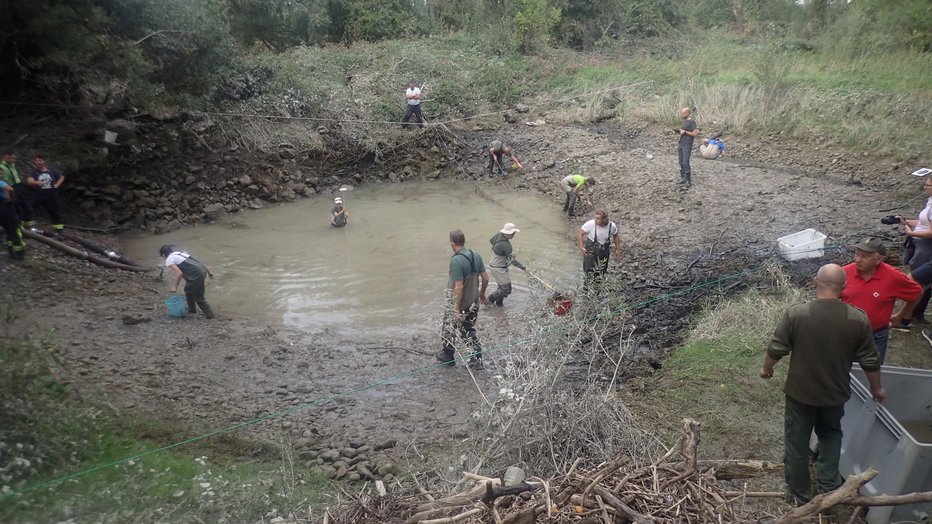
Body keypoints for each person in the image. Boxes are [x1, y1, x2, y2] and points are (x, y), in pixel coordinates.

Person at [761, 263, 885, 506]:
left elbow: (777, 347)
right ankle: (829, 486)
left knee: (797, 441)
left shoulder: (797, 313)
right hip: (834, 394)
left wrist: (767, 369)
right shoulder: (857, 318)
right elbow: (870, 360)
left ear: (814, 281)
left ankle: (799, 493)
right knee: (830, 435)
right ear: (844, 286)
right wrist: (876, 388)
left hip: (801, 394)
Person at [840, 237, 922, 365]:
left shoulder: (893, 277)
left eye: (864, 256)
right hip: (845, 335)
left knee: (872, 371)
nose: (858, 260)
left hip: (876, 336)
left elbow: (917, 292)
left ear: (879, 259)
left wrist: (901, 315)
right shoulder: (844, 273)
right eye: (857, 254)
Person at [436, 229, 489, 369]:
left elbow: (458, 286)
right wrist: (482, 293)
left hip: (461, 303)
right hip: (474, 301)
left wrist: (456, 308)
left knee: (448, 328)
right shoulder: (475, 255)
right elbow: (485, 277)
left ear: (452, 243)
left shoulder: (456, 260)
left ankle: (448, 356)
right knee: (468, 329)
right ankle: (477, 359)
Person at [893, 176, 932, 332]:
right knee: (921, 281)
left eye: (928, 185)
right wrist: (906, 222)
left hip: (926, 247)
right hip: (921, 246)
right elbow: (924, 223)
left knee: (914, 282)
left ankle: (904, 318)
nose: (925, 187)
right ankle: (915, 314)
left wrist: (912, 233)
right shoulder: (930, 201)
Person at [159, 245, 215, 319]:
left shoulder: (168, 260)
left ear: (163, 255)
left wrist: (175, 287)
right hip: (201, 270)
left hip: (196, 275)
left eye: (162, 256)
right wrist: (208, 272)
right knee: (188, 290)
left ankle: (211, 317)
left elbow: (179, 273)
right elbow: (197, 262)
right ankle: (192, 310)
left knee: (199, 298)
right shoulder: (180, 252)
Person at [577, 209, 621, 289]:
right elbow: (581, 233)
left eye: (598, 218)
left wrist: (617, 249)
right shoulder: (590, 224)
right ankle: (586, 291)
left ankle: (598, 291)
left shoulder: (612, 226)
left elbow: (616, 236)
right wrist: (581, 246)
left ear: (604, 219)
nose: (595, 220)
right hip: (591, 252)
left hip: (604, 252)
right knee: (588, 272)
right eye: (595, 218)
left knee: (602, 271)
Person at [487, 222, 527, 307]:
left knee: (501, 288)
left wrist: (499, 251)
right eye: (513, 233)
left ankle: (499, 305)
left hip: (494, 265)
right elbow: (512, 260)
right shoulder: (505, 245)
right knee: (506, 289)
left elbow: (491, 240)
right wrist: (523, 268)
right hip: (498, 268)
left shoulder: (498, 235)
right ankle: (488, 301)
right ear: (509, 233)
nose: (514, 234)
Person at [25, 154, 65, 232]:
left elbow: (62, 177)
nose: (38, 163)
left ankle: (58, 229)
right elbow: (29, 180)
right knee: (29, 208)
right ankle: (28, 227)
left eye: (40, 161)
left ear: (44, 161)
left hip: (51, 194)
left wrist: (57, 185)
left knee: (54, 211)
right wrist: (36, 182)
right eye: (36, 161)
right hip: (38, 194)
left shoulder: (51, 169)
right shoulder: (33, 171)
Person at [0, 150, 35, 229]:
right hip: (10, 186)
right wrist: (8, 195)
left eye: (13, 158)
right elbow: (4, 182)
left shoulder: (12, 164)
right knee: (17, 206)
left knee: (25, 204)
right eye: (9, 158)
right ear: (4, 157)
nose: (12, 160)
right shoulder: (2, 167)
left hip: (19, 186)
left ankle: (28, 224)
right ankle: (19, 225)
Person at [0, 179, 25, 259]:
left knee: (7, 230)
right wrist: (12, 200)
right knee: (14, 229)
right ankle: (19, 253)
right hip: (5, 206)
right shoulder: (1, 182)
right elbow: (10, 189)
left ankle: (11, 250)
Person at [677, 107, 698, 188]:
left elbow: (695, 134)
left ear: (688, 113)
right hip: (681, 143)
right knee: (681, 161)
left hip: (687, 144)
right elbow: (684, 132)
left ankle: (688, 181)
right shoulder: (684, 121)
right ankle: (683, 178)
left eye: (683, 113)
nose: (682, 115)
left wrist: (685, 132)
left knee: (686, 162)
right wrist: (680, 132)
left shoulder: (692, 122)